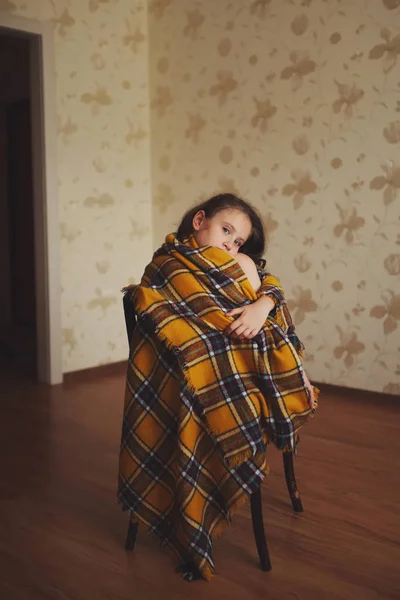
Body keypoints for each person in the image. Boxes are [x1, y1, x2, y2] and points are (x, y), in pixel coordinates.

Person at [176, 193, 315, 407]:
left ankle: (291, 366)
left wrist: (261, 306)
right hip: (195, 362)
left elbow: (268, 308)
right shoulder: (169, 263)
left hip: (243, 352)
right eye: (225, 230)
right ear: (199, 221)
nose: (229, 245)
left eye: (237, 241)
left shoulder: (239, 263)